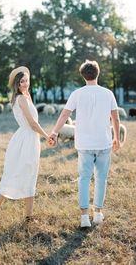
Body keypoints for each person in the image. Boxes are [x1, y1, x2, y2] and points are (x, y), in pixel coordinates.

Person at [49, 60, 120, 228]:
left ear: (83, 75)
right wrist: (116, 137)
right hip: (104, 143)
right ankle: (97, 214)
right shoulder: (108, 93)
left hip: (84, 145)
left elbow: (65, 114)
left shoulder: (77, 94)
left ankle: (84, 218)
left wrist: (54, 132)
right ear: (98, 73)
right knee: (101, 178)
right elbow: (115, 118)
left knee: (84, 179)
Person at [0, 66, 53, 226]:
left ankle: (24, 216)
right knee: (20, 174)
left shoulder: (25, 96)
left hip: (27, 138)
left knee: (25, 174)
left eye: (26, 81)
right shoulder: (22, 99)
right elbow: (32, 123)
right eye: (21, 82)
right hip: (26, 139)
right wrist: (46, 136)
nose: (24, 84)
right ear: (16, 84)